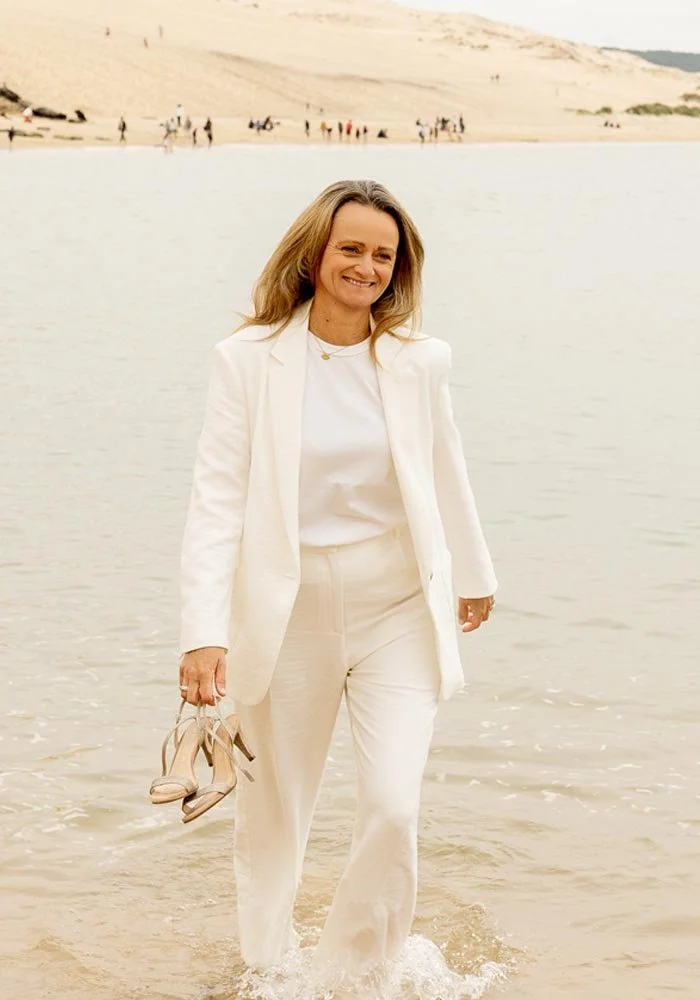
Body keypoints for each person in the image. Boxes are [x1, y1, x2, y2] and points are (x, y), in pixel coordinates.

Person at [176, 179, 497, 995]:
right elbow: (216, 496)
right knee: (275, 812)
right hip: (288, 618)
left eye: (383, 255)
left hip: (396, 608)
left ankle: (356, 978)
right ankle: (268, 969)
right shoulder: (247, 361)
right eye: (350, 248)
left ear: (399, 269)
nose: (366, 266)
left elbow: (446, 465)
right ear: (313, 256)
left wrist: (475, 569)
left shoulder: (420, 362)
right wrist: (202, 631)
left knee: (393, 805)